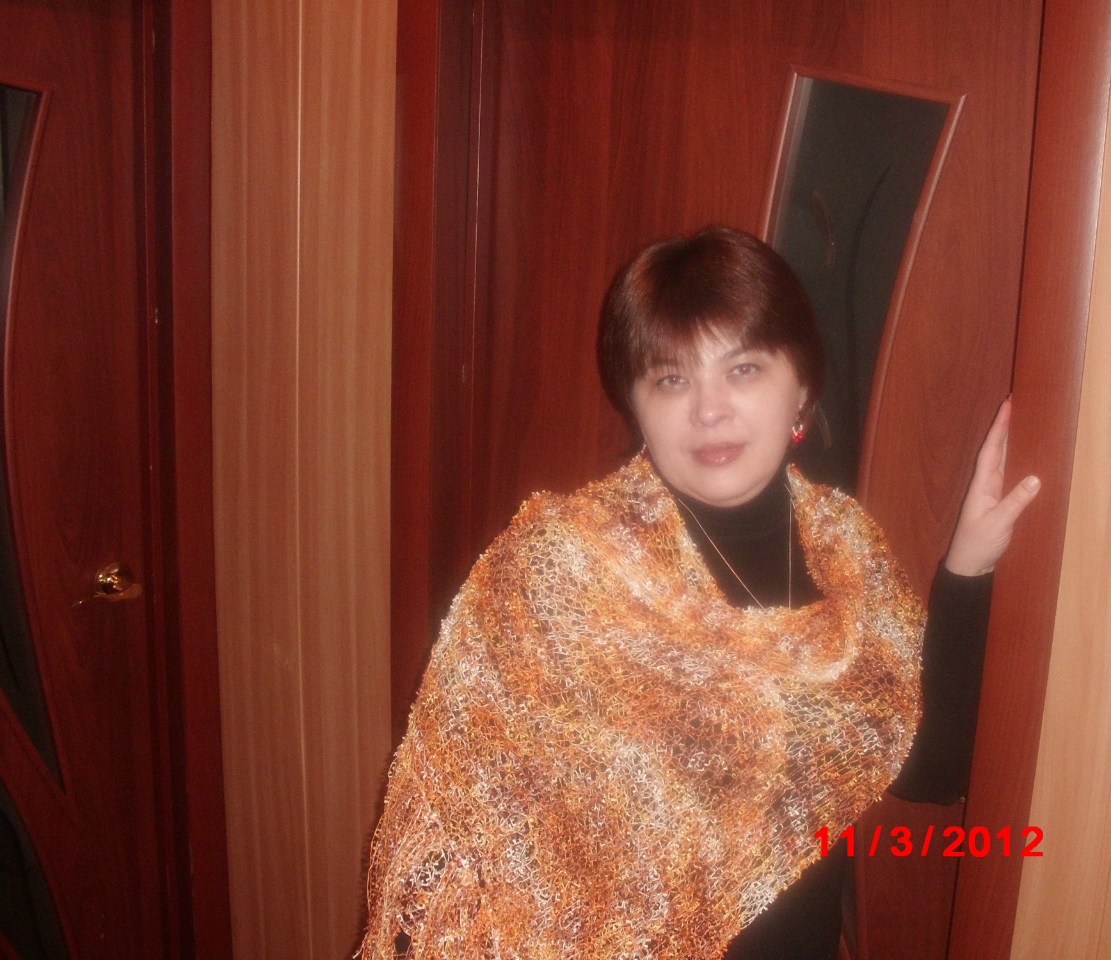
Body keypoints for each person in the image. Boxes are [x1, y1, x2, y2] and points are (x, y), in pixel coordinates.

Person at [359, 226, 1040, 959]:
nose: (708, 410)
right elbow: (469, 837)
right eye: (671, 379)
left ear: (801, 387)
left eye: (743, 369)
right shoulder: (562, 568)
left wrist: (969, 566)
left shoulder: (848, 554)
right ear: (636, 404)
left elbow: (934, 770)